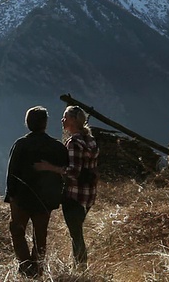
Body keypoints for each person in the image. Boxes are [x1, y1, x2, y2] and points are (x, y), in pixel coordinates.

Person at [4, 106, 69, 277]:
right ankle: (37, 269)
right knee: (40, 235)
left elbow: (12, 172)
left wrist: (10, 195)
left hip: (21, 198)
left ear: (27, 123)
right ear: (45, 123)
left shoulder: (21, 144)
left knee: (17, 230)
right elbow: (65, 170)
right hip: (45, 199)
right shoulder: (56, 146)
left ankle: (26, 266)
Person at [35, 105, 99, 270]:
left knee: (76, 235)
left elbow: (73, 172)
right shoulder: (90, 141)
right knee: (77, 231)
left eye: (65, 117)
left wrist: (49, 167)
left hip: (74, 195)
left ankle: (80, 269)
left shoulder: (73, 143)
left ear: (73, 121)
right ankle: (79, 266)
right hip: (89, 194)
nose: (62, 120)